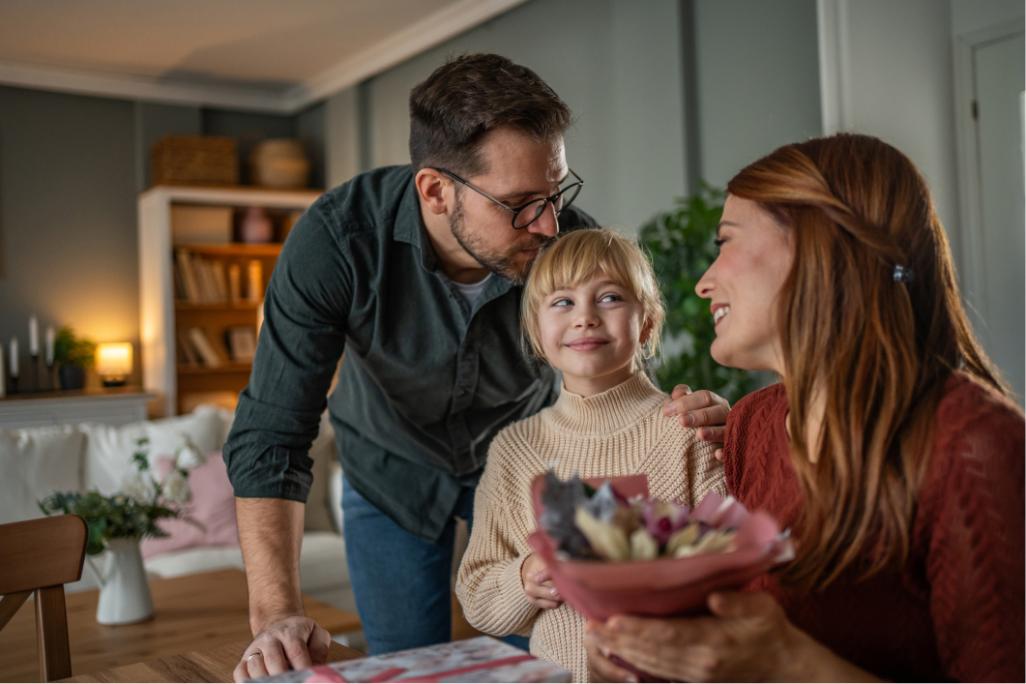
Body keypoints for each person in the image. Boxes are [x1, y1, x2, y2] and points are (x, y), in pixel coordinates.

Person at [224, 53, 731, 682]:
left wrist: (686, 415)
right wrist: (276, 613)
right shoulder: (338, 241)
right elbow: (274, 434)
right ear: (436, 191)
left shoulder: (562, 242)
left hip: (521, 468)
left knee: (546, 657)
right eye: (519, 204)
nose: (548, 225)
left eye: (555, 193)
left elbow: (617, 368)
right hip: (389, 471)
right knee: (403, 667)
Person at [584, 132, 1026, 682]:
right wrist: (648, 654)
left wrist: (791, 664)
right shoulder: (751, 425)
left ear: (819, 246)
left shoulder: (973, 445)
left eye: (725, 242)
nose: (703, 283)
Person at [455, 228, 726, 681]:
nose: (585, 318)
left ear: (647, 323)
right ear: (536, 332)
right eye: (563, 302)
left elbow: (737, 572)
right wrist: (525, 577)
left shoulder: (688, 431)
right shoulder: (515, 450)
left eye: (610, 298)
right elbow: (476, 593)